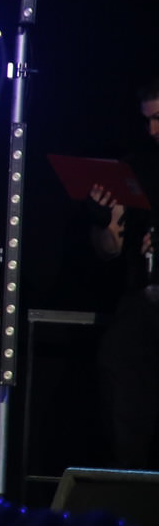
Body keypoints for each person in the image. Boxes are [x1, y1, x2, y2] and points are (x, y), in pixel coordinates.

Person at [86, 76, 159, 469]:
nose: (153, 130)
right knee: (121, 388)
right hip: (143, 301)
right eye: (147, 120)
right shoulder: (136, 167)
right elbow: (109, 250)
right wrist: (106, 219)